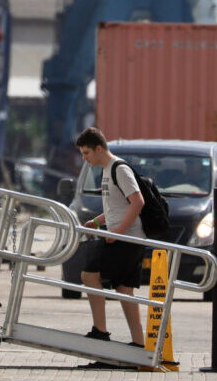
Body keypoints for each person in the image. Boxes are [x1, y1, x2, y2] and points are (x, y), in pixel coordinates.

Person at [74, 127, 146, 352]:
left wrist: (118, 232)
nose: (84, 159)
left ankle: (100, 331)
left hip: (126, 239)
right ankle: (138, 343)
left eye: (86, 153)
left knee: (89, 275)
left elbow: (137, 202)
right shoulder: (106, 170)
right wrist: (97, 222)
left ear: (98, 148)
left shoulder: (119, 169)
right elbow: (117, 207)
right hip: (123, 237)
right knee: (124, 289)